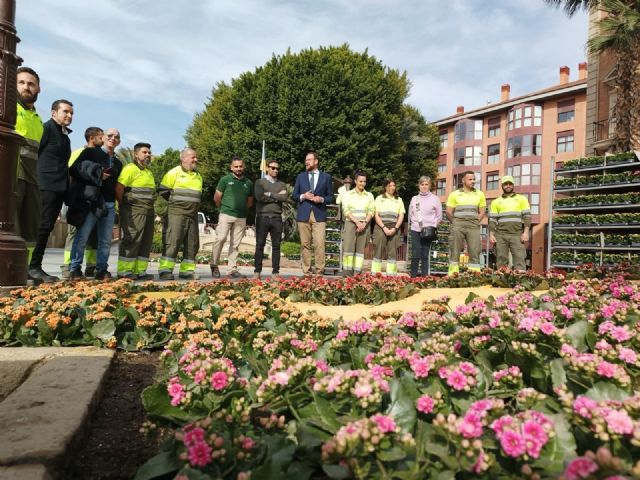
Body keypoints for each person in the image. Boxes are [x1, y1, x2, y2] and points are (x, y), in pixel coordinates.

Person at [28, 99, 74, 283]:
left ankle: (35, 266)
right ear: (54, 113)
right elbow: (37, 154)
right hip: (45, 185)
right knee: (40, 226)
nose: (69, 116)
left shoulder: (65, 137)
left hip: (59, 188)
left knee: (47, 227)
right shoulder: (46, 128)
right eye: (65, 112)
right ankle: (31, 267)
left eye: (71, 113)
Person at [68, 128, 123, 281]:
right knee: (82, 236)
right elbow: (75, 169)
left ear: (119, 141)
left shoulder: (118, 162)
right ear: (103, 138)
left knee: (105, 241)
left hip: (110, 204)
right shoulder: (91, 153)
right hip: (92, 202)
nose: (113, 138)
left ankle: (101, 270)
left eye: (116, 137)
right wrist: (97, 174)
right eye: (110, 135)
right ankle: (75, 270)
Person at [60, 126, 104, 279]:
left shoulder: (101, 154)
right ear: (92, 138)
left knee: (90, 238)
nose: (103, 139)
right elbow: (73, 172)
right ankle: (73, 268)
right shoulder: (82, 153)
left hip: (94, 201)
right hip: (81, 201)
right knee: (79, 236)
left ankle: (87, 268)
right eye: (101, 136)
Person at [157, 148, 203, 281]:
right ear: (183, 159)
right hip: (176, 213)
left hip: (192, 214)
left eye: (196, 157)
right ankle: (165, 270)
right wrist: (176, 203)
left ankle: (187, 271)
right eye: (193, 157)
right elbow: (163, 191)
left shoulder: (198, 176)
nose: (196, 160)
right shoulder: (173, 172)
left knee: (192, 243)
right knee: (173, 241)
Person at [15, 67, 44, 272]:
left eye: (31, 83)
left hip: (33, 179)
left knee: (30, 227)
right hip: (11, 175)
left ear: (38, 89)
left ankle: (22, 271)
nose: (27, 87)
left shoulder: (38, 120)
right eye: (22, 82)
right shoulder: (6, 109)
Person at [115, 142, 155, 280]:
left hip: (148, 212)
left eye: (149, 152)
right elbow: (119, 188)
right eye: (144, 152)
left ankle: (140, 271)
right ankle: (124, 271)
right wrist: (123, 205)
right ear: (135, 154)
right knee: (132, 239)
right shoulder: (130, 169)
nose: (148, 155)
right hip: (133, 211)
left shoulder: (148, 172)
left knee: (145, 242)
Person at [209, 157, 253, 279]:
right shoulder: (225, 180)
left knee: (235, 244)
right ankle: (214, 265)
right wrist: (223, 209)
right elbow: (217, 197)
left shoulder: (248, 183)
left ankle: (232, 269)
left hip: (241, 217)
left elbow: (250, 202)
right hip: (226, 214)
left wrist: (242, 210)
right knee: (221, 238)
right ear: (231, 167)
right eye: (236, 166)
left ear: (243, 167)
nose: (238, 168)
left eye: (240, 166)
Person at [292, 151, 334, 276]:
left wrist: (320, 199)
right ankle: (307, 271)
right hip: (303, 214)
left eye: (309, 159)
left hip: (319, 214)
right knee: (305, 244)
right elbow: (294, 196)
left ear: (316, 161)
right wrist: (303, 196)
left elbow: (330, 197)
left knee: (319, 244)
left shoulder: (326, 177)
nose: (307, 162)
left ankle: (320, 271)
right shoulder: (301, 176)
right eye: (306, 160)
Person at [445, 171, 486, 275]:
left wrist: (476, 221)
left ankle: (475, 277)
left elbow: (482, 212)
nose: (473, 181)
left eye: (474, 179)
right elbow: (449, 212)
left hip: (473, 226)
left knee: (475, 251)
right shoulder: (454, 194)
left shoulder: (480, 194)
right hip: (458, 225)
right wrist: (455, 223)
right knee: (455, 251)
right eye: (470, 179)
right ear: (463, 180)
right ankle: (452, 276)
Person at [253, 159, 288, 279]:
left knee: (276, 246)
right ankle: (257, 271)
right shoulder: (260, 182)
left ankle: (275, 272)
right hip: (262, 216)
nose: (275, 170)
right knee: (259, 245)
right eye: (273, 168)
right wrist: (277, 197)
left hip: (277, 218)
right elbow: (259, 197)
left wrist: (269, 194)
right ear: (267, 168)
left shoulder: (282, 184)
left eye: (277, 168)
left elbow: (284, 197)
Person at [489, 175, 531, 271]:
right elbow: (492, 220)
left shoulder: (522, 199)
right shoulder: (496, 202)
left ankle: (520, 283)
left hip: (517, 234)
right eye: (505, 184)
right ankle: (501, 282)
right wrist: (491, 234)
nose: (508, 186)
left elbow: (527, 217)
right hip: (500, 235)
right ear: (502, 186)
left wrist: (526, 232)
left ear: (513, 185)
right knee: (501, 260)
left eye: (510, 184)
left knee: (519, 259)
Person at [408, 176, 442, 277]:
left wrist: (432, 226)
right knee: (415, 253)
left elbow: (439, 216)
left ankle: (424, 278)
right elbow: (410, 214)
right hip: (416, 229)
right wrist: (415, 224)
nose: (424, 186)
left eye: (426, 184)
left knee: (424, 255)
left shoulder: (435, 199)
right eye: (422, 184)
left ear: (430, 186)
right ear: (419, 185)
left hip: (428, 231)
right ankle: (413, 277)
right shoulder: (414, 199)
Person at [342, 171, 374, 275]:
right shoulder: (347, 195)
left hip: (364, 225)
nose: (362, 183)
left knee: (360, 253)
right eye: (360, 181)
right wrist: (357, 222)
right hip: (351, 223)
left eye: (364, 181)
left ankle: (357, 276)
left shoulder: (369, 195)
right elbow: (346, 210)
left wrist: (364, 223)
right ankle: (347, 276)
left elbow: (371, 211)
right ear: (355, 181)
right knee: (348, 250)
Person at [372, 178, 405, 275]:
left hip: (394, 227)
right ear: (385, 187)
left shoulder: (399, 200)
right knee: (378, 250)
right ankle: (375, 276)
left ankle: (391, 277)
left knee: (392, 253)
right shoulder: (379, 198)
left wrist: (395, 228)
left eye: (394, 185)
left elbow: (401, 215)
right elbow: (376, 215)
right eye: (390, 186)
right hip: (381, 227)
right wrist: (384, 228)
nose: (392, 188)